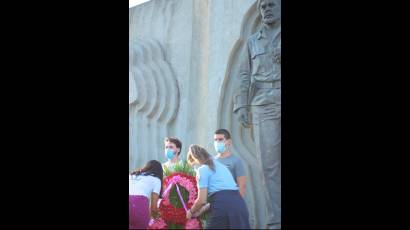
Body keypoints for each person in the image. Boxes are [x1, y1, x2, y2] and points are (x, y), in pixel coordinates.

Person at [234, 0, 281, 228]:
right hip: (262, 104)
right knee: (268, 165)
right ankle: (276, 221)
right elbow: (244, 75)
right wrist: (242, 105)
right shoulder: (253, 42)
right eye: (263, 6)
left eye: (272, 5)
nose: (267, 9)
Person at [186, 144, 250, 229]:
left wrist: (191, 211)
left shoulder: (203, 170)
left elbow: (202, 200)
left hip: (222, 208)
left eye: (194, 164)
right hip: (239, 205)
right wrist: (201, 210)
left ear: (196, 159)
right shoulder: (221, 166)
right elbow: (224, 195)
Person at [129, 160, 163, 229]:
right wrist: (158, 217)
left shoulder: (132, 175)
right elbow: (153, 208)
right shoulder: (156, 180)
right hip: (139, 208)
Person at [213, 129, 247, 198]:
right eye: (215, 140)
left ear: (229, 142)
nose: (217, 142)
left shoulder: (236, 161)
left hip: (230, 201)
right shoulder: (211, 161)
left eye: (220, 139)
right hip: (214, 203)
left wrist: (237, 204)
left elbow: (242, 186)